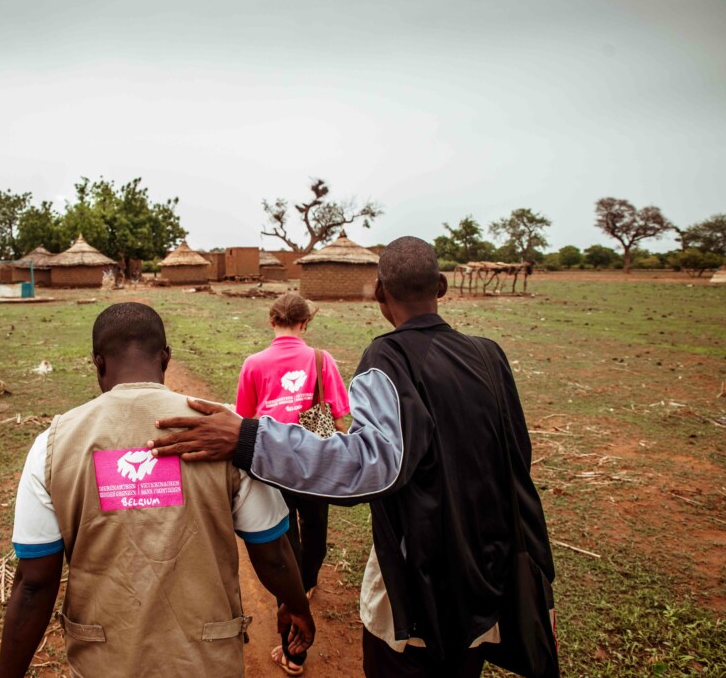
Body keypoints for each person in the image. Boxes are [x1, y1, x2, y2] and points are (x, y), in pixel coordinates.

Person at [148, 237, 556, 677]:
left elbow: (370, 465)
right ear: (441, 285)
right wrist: (541, 582)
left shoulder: (389, 357)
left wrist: (249, 438)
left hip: (418, 584)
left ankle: (297, 587)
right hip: (486, 573)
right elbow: (519, 473)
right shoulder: (489, 356)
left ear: (379, 292)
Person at [0, 302, 314, 678]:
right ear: (166, 357)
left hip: (104, 662)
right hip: (207, 659)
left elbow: (34, 584)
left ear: (97, 362)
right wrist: (296, 605)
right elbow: (272, 550)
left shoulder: (53, 446)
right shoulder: (225, 431)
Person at [235, 293, 350, 674]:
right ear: (305, 323)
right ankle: (311, 581)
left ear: (272, 322)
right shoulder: (322, 358)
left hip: (272, 457)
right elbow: (337, 414)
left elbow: (244, 418)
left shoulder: (253, 364)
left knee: (285, 533)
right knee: (315, 523)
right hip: (314, 455)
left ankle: (294, 594)